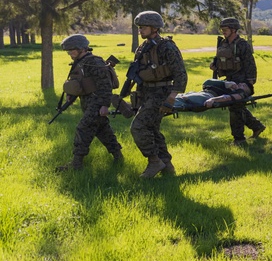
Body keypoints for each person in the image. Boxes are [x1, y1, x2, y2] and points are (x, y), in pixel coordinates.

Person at [130, 11, 187, 178]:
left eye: (143, 27)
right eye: (139, 28)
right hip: (147, 92)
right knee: (152, 128)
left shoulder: (167, 47)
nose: (140, 30)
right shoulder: (142, 48)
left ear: (154, 28)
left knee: (138, 127)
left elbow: (181, 74)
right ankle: (167, 166)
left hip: (162, 92)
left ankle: (154, 161)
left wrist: (171, 97)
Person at [55, 34, 123, 171]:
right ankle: (118, 157)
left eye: (72, 50)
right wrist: (71, 94)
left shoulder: (94, 62)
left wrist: (104, 105)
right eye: (68, 51)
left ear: (82, 49)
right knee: (102, 130)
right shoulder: (80, 62)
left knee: (83, 128)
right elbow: (80, 82)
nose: (69, 53)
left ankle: (76, 164)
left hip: (96, 102)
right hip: (87, 102)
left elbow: (105, 85)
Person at [211, 17, 266, 147]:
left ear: (234, 30)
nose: (223, 31)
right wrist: (215, 66)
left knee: (235, 108)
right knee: (237, 107)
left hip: (241, 81)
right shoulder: (223, 43)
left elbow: (250, 63)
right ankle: (256, 126)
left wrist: (250, 82)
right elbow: (220, 60)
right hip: (229, 80)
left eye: (225, 29)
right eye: (222, 29)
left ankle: (239, 139)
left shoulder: (242, 45)